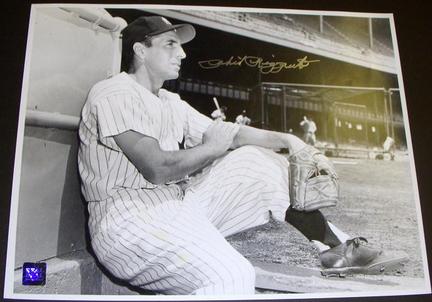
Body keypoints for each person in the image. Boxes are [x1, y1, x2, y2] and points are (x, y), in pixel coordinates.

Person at [78, 16, 393, 295]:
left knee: (257, 161)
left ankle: (335, 249)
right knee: (232, 277)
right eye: (171, 44)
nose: (182, 53)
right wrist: (211, 148)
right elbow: (157, 168)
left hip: (177, 206)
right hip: (128, 223)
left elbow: (232, 133)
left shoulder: (169, 101)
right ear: (140, 50)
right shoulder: (114, 93)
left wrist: (290, 140)